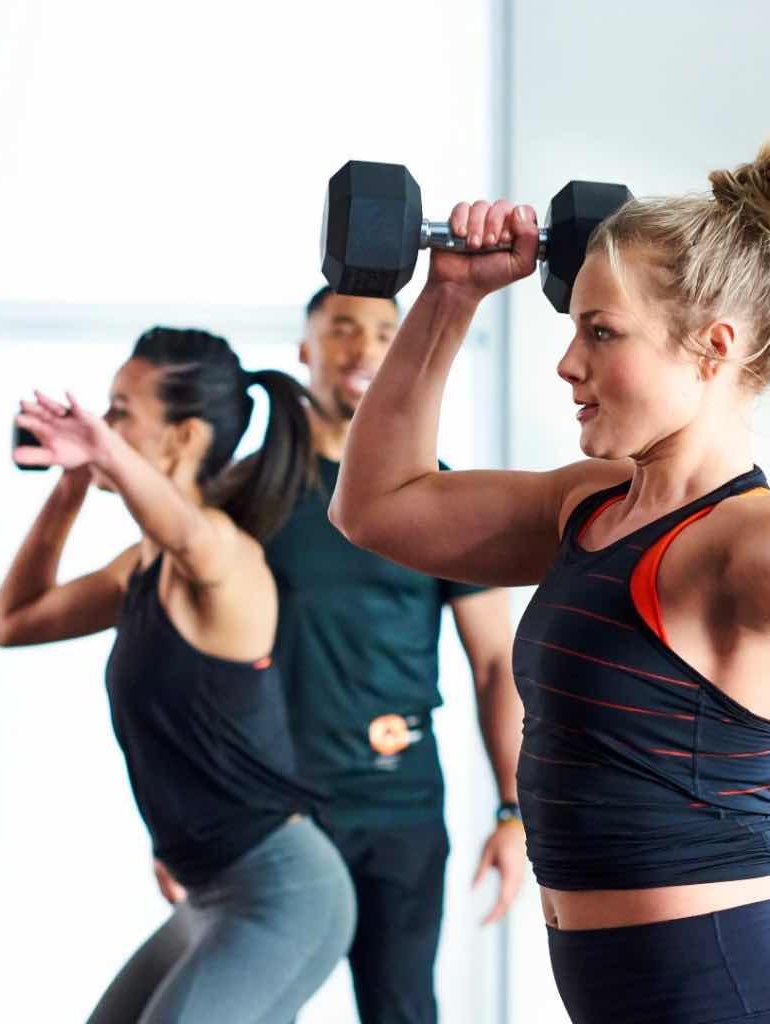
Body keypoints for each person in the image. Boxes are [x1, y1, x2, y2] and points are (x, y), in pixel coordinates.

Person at [329, 121, 770, 1024]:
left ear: (714, 347)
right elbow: (376, 506)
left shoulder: (741, 538)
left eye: (601, 332)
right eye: (574, 328)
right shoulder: (589, 506)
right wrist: (450, 297)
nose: (568, 363)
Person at [152, 288, 525, 1024]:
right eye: (343, 330)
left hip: (400, 810)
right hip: (271, 818)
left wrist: (514, 813)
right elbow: (181, 661)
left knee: (402, 1012)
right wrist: (180, 820)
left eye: (385, 333)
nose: (364, 349)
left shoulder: (437, 496)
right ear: (305, 348)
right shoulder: (243, 494)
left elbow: (495, 664)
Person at [0, 327, 353, 1024]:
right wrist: (71, 485)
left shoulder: (226, 556)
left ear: (183, 438)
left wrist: (104, 454)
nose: (103, 426)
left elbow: (188, 534)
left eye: (120, 412)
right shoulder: (138, 567)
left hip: (285, 895)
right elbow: (11, 623)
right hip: (210, 896)